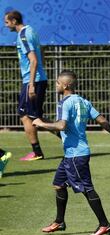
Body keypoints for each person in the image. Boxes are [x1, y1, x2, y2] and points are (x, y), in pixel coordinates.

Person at [33, 70, 110, 235]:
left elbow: (61, 126)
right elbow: (101, 119)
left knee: (87, 189)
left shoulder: (64, 103)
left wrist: (41, 123)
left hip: (76, 155)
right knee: (59, 184)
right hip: (71, 155)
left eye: (58, 83)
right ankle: (59, 221)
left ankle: (104, 224)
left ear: (66, 85)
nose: (56, 85)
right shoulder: (83, 101)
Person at [4, 10, 52, 161]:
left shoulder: (23, 35)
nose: (6, 25)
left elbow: (33, 60)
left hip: (33, 81)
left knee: (25, 116)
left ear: (14, 21)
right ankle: (66, 134)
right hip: (38, 79)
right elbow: (40, 54)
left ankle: (37, 152)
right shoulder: (31, 30)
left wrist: (31, 84)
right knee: (34, 117)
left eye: (7, 22)